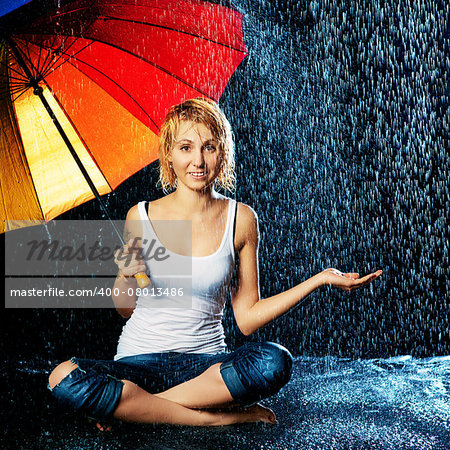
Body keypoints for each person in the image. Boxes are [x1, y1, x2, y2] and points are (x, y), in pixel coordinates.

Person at [48, 98, 382, 428]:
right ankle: (211, 420)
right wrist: (125, 272)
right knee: (62, 377)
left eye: (209, 147)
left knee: (273, 361)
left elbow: (248, 320)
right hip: (138, 365)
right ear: (168, 155)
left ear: (222, 152)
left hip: (206, 369)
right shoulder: (141, 215)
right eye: (185, 147)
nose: (198, 161)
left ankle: (134, 408)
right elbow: (125, 309)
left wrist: (319, 279)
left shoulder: (241, 219)